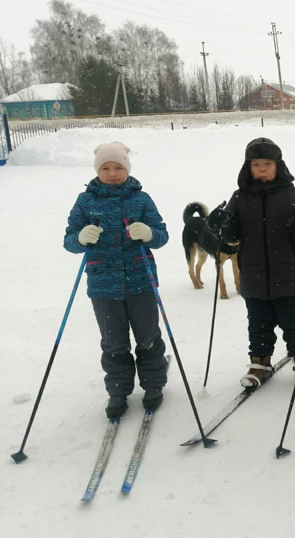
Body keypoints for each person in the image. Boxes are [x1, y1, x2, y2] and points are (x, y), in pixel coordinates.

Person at [63, 141, 169, 419]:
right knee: (113, 342)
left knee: (148, 338)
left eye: (118, 167)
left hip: (141, 283)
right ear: (97, 171)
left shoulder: (141, 199)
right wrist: (80, 237)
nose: (112, 173)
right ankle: (119, 391)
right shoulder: (85, 201)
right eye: (106, 168)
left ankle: (154, 385)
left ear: (127, 169)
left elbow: (162, 236)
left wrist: (148, 233)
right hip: (103, 286)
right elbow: (69, 241)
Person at [207, 137, 295, 389]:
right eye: (256, 164)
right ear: (247, 167)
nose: (261, 168)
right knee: (258, 324)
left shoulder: (293, 194)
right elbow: (231, 236)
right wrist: (218, 226)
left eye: (267, 163)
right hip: (253, 275)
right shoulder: (240, 197)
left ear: (278, 166)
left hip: (288, 275)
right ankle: (260, 362)